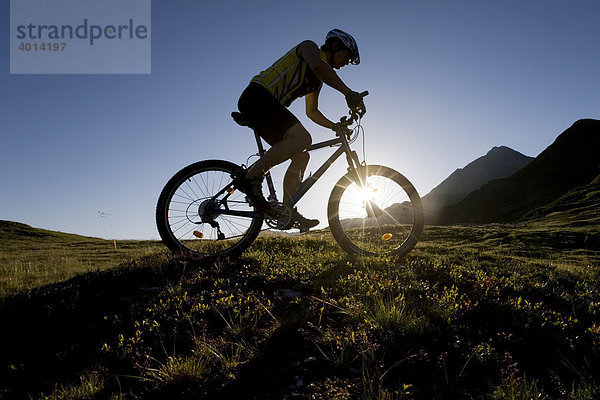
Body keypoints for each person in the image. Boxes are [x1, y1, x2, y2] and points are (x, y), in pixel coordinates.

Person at [233, 29, 366, 231]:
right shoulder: (309, 47)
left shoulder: (317, 79)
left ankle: (286, 210)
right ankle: (251, 178)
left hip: (269, 108)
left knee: (301, 156)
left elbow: (312, 111)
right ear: (335, 46)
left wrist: (334, 126)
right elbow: (317, 65)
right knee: (304, 139)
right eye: (347, 57)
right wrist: (348, 93)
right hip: (258, 96)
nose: (346, 63)